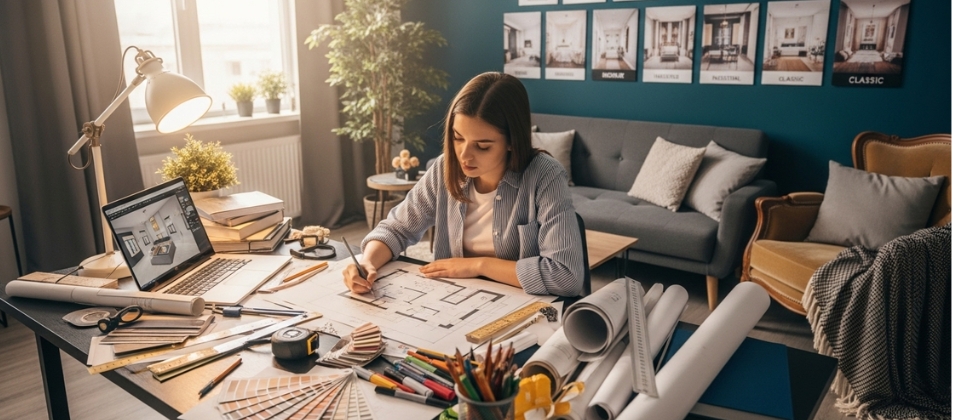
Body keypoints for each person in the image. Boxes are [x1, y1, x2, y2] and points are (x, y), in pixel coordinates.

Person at [342, 72, 583, 297]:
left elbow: (566, 276)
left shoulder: (545, 175)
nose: (464, 155)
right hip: (453, 301)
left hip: (518, 307)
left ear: (512, 141)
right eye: (458, 138)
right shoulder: (445, 167)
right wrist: (368, 261)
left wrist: (478, 265)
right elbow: (397, 229)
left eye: (483, 145)